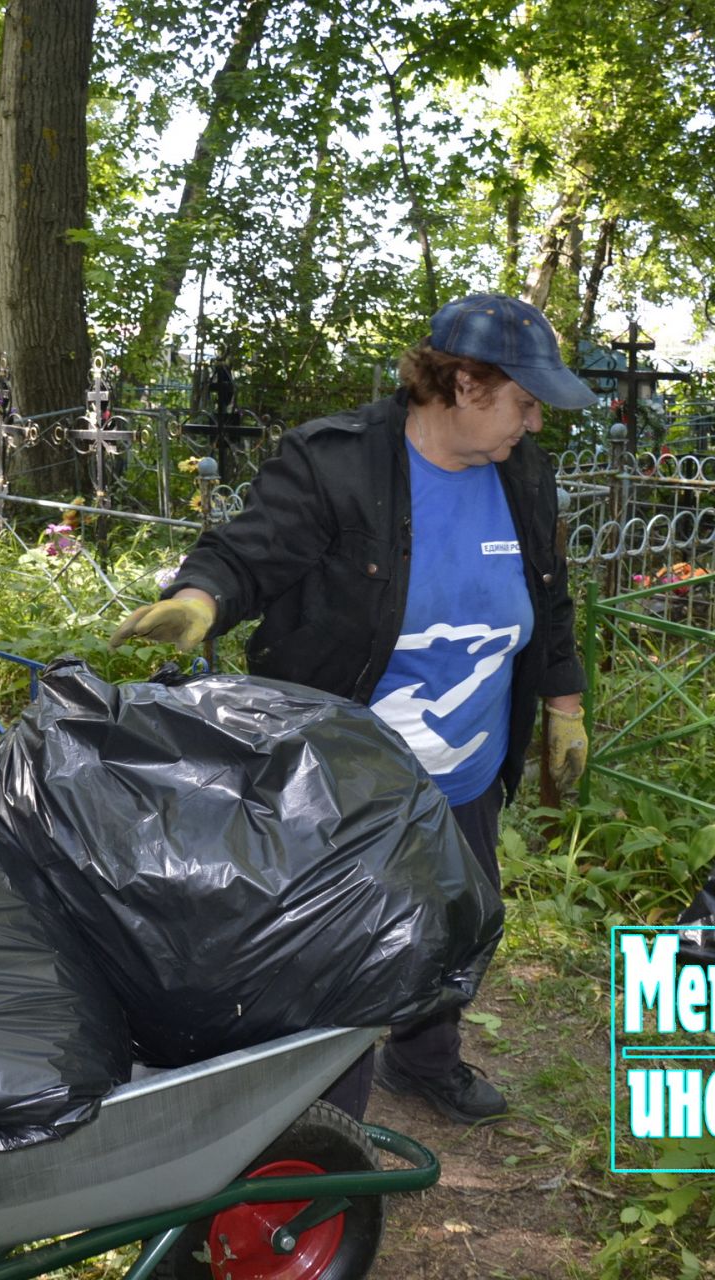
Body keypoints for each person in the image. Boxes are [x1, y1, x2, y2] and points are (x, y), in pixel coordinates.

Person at [110, 293, 593, 1125]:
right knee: (340, 946)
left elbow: (547, 600)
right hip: (343, 773)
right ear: (467, 385)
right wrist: (201, 599)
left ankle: (425, 1058)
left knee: (451, 920)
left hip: (467, 765)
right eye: (525, 400)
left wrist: (564, 703)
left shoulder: (521, 473)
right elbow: (249, 549)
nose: (536, 422)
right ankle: (329, 1118)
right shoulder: (337, 462)